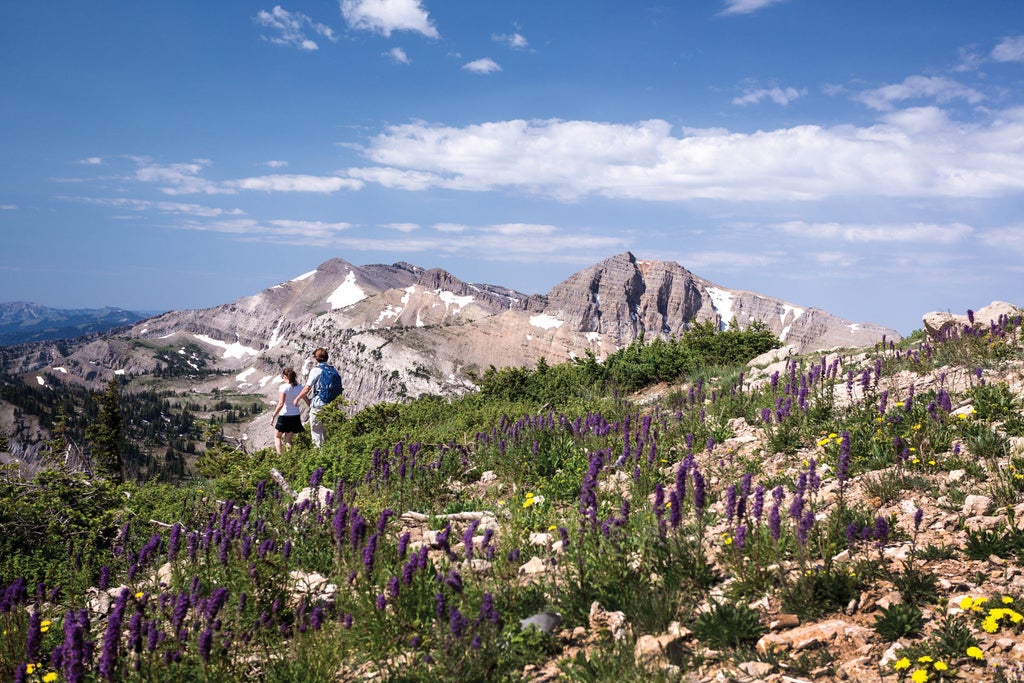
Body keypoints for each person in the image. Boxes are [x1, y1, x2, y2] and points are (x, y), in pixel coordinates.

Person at [294, 347, 340, 448]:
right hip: (331, 404)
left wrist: (297, 398)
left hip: (319, 404)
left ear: (316, 358)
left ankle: (319, 456)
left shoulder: (316, 370)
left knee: (316, 430)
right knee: (329, 430)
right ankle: (332, 451)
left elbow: (307, 388)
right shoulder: (333, 370)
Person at [271, 368, 304, 454]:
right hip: (295, 415)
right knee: (288, 438)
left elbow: (281, 403)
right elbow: (307, 399)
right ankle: (289, 458)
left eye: (283, 377)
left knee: (277, 436)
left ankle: (280, 456)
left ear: (285, 377)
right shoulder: (300, 387)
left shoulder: (283, 387)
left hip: (284, 415)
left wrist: (273, 416)